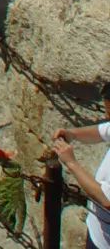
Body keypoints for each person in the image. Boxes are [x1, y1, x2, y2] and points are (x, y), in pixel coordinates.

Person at [53, 83, 110, 249]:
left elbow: (106, 199)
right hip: (99, 232)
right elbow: (102, 132)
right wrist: (72, 134)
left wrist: (71, 162)